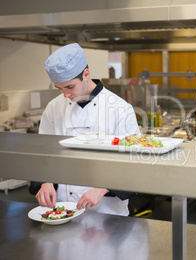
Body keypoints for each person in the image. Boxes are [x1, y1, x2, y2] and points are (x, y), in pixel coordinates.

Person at [29, 43, 140, 216]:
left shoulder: (120, 108)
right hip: (63, 209)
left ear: (86, 74)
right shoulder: (54, 107)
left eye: (70, 87)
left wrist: (103, 188)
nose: (65, 95)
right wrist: (46, 182)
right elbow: (43, 154)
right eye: (60, 88)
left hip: (107, 213)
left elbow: (134, 161)